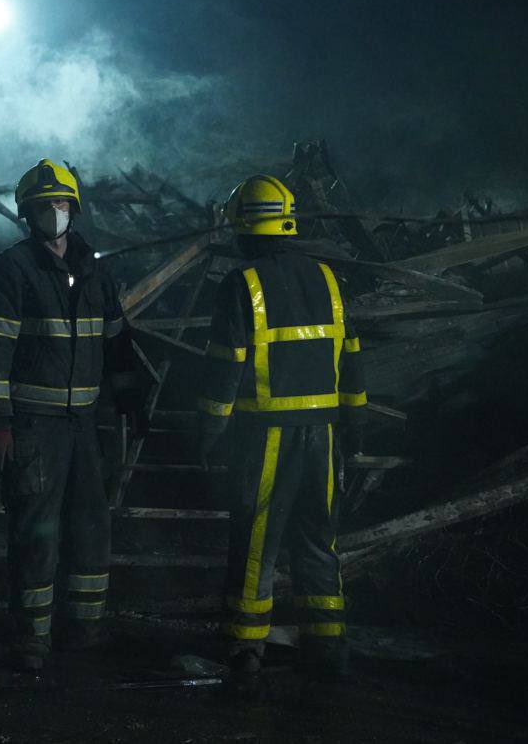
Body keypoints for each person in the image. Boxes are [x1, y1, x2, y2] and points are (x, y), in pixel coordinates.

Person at [194, 175, 367, 681]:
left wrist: (207, 432)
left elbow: (224, 368)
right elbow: (352, 362)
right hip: (326, 435)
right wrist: (355, 427)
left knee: (256, 541)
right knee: (319, 539)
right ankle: (329, 645)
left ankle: (246, 649)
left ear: (245, 228)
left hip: (267, 436)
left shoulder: (241, 283)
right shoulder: (331, 279)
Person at [0, 159, 147, 671]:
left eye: (62, 203)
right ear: (26, 214)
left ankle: (86, 629)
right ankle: (32, 638)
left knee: (92, 526)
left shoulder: (95, 268)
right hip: (33, 426)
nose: (54, 212)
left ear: (74, 208)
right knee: (36, 531)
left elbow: (116, 343)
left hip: (86, 426)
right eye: (44, 205)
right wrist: (0, 421)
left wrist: (131, 399)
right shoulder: (13, 269)